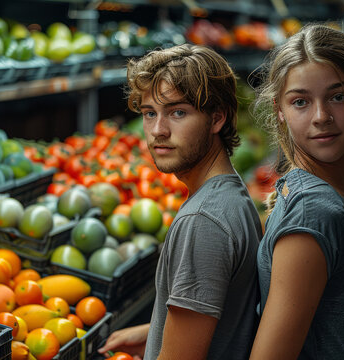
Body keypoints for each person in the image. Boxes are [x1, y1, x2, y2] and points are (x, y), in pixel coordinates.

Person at [98, 44, 263, 359]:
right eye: (149, 113)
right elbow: (225, 316)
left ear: (217, 119)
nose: (158, 131)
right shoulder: (231, 195)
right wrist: (155, 333)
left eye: (177, 112)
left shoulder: (202, 222)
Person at [249, 23, 344, 359]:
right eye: (300, 102)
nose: (322, 116)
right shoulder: (314, 214)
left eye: (338, 96)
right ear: (280, 113)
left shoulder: (326, 196)